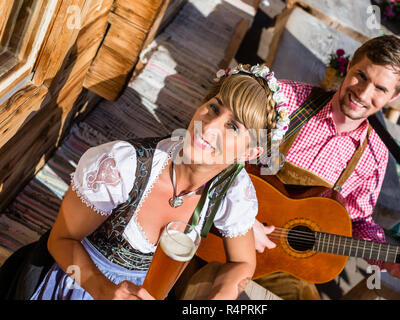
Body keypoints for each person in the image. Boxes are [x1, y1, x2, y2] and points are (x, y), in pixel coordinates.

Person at [0, 64, 289, 300]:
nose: (209, 126)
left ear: (251, 152)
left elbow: (243, 264)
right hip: (81, 283)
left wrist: (222, 294)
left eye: (233, 126)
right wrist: (104, 290)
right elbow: (60, 241)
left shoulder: (232, 190)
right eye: (214, 108)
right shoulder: (121, 166)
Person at [252, 35, 400, 297]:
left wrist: (387, 260)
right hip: (226, 222)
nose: (363, 93)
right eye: (361, 76)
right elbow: (218, 149)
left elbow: (358, 221)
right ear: (348, 66)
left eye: (380, 89)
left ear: (395, 95)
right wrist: (244, 219)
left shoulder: (376, 153)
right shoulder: (287, 102)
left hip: (279, 258)